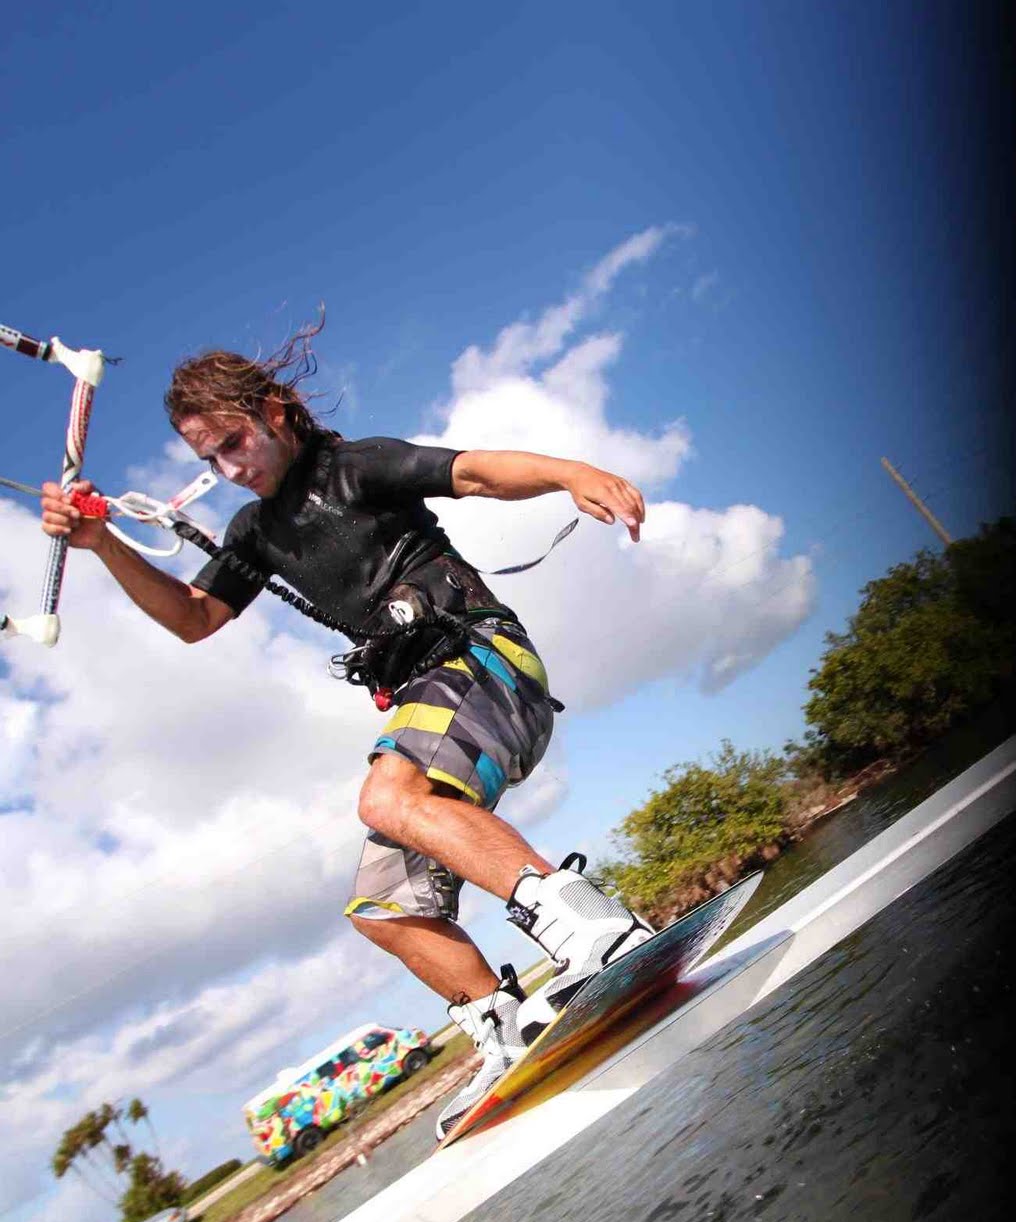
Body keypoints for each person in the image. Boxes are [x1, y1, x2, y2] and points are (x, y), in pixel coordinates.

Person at [39, 328, 653, 1139]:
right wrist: (100, 543)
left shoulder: (355, 468)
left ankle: (594, 927)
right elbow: (194, 618)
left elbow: (474, 471)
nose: (230, 469)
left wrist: (570, 473)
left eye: (233, 443)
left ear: (275, 412)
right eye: (210, 460)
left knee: (387, 794)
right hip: (433, 702)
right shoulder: (254, 533)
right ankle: (505, 1029)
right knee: (382, 909)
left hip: (483, 662)